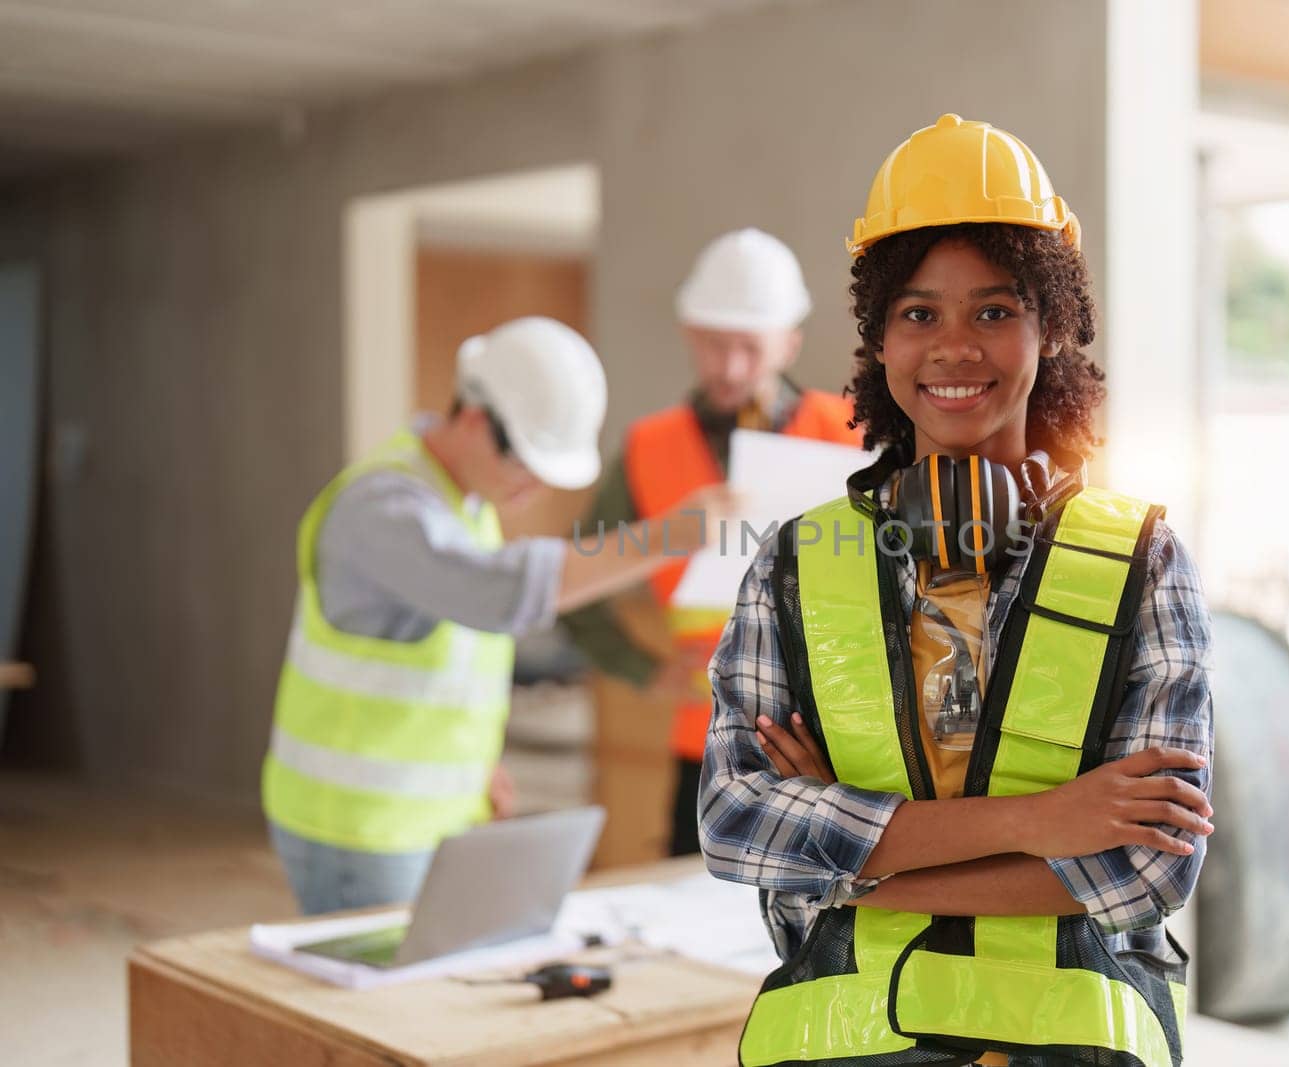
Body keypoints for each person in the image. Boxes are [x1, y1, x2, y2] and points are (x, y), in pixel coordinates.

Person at [700, 115, 1215, 1067]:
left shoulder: (1143, 559)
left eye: (994, 310)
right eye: (919, 313)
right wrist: (1041, 821)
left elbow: (1148, 863)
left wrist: (846, 867)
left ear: (1049, 326)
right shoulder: (794, 562)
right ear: (881, 341)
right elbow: (736, 823)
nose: (955, 348)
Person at [262, 317, 730, 915]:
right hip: (360, 827)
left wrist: (476, 768)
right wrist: (667, 537)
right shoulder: (384, 507)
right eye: (528, 465)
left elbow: (446, 666)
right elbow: (498, 592)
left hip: (421, 815)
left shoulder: (464, 504)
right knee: (390, 1004)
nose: (533, 489)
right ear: (477, 421)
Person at [563, 228, 861, 857]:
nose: (728, 368)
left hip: (838, 742)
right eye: (712, 345)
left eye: (748, 348)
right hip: (704, 746)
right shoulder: (649, 448)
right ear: (688, 335)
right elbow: (573, 580)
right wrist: (642, 670)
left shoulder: (851, 437)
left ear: (789, 342)